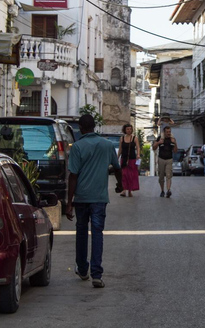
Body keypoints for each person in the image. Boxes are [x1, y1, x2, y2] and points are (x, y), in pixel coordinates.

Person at [64, 114, 123, 289]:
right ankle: (97, 274)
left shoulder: (77, 146)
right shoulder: (107, 145)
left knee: (81, 232)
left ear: (81, 128)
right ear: (95, 126)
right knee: (97, 233)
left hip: (82, 198)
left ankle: (83, 269)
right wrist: (119, 185)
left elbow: (73, 176)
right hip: (99, 198)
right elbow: (117, 168)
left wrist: (69, 203)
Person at [152, 126, 178, 198]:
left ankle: (168, 190)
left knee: (168, 175)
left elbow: (175, 151)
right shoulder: (160, 138)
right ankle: (162, 191)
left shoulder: (172, 139)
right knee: (161, 176)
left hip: (169, 159)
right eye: (167, 132)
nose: (168, 133)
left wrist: (175, 143)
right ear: (164, 132)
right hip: (161, 159)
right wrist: (158, 143)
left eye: (169, 132)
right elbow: (154, 148)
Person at [118, 123, 140, 197]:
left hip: (132, 159)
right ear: (125, 130)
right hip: (124, 159)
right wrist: (117, 157)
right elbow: (120, 149)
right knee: (124, 174)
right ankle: (124, 190)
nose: (129, 130)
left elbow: (138, 147)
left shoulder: (135, 138)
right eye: (127, 129)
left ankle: (130, 191)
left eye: (130, 129)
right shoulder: (122, 138)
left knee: (131, 175)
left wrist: (138, 155)